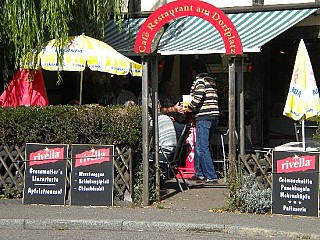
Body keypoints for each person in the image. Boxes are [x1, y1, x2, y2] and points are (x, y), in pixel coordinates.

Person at [186, 59, 219, 184]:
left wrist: (189, 107)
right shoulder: (211, 79)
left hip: (204, 116)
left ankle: (211, 175)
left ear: (194, 69)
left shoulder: (200, 79)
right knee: (201, 145)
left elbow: (198, 96)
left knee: (202, 147)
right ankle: (199, 173)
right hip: (213, 115)